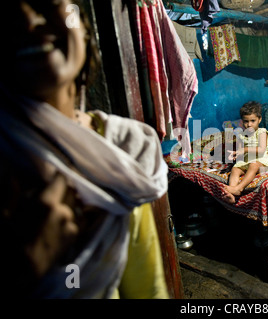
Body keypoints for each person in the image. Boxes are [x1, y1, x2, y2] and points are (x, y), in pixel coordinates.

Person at [0, 0, 169, 299]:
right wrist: (28, 269)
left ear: (83, 32)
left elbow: (147, 287)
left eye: (47, 4)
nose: (28, 18)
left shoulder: (123, 150)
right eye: (9, 11)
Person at [221, 101, 268, 204]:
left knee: (253, 165)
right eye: (246, 121)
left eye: (252, 121)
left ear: (259, 119)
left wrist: (244, 150)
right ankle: (231, 194)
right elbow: (240, 150)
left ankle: (239, 188)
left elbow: (262, 149)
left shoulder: (262, 132)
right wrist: (236, 155)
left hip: (260, 161)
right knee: (235, 169)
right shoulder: (241, 134)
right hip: (246, 162)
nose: (249, 124)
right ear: (242, 121)